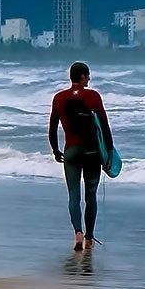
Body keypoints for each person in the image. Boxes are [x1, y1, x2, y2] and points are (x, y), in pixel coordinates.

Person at [48, 61, 114, 251]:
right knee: (90, 196)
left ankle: (77, 232)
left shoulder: (59, 98)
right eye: (88, 76)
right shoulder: (93, 96)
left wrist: (55, 150)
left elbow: (52, 128)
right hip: (92, 152)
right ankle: (89, 238)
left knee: (73, 196)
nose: (89, 79)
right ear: (83, 76)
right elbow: (104, 125)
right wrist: (108, 152)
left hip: (71, 151)